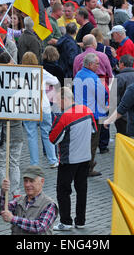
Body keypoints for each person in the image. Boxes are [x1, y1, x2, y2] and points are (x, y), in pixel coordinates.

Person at [50, 87, 96, 231]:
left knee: (63, 190)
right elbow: (93, 130)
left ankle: (66, 221)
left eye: (58, 100)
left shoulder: (64, 117)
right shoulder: (87, 111)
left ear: (64, 99)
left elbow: (53, 138)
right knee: (82, 189)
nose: (57, 103)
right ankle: (81, 221)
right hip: (85, 157)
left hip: (69, 160)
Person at [21, 52, 59, 169]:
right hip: (44, 105)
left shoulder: (20, 73)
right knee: (47, 133)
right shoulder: (41, 71)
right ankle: (52, 160)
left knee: (31, 135)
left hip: (28, 106)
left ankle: (34, 163)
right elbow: (55, 80)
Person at [73, 53, 107, 176]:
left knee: (81, 141)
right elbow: (102, 95)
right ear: (90, 64)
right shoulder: (94, 78)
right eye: (97, 63)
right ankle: (88, 168)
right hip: (92, 115)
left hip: (79, 114)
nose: (98, 66)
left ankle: (80, 166)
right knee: (92, 142)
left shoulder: (78, 75)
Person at [0, 165, 58, 234]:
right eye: (26, 181)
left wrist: (13, 219)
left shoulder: (49, 204)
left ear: (42, 181)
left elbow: (40, 227)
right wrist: (3, 192)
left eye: (31, 181)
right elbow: (2, 211)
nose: (27, 185)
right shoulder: (19, 200)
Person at [113, 55, 134, 135]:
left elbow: (114, 97)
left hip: (121, 115)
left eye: (119, 63)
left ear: (122, 64)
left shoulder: (118, 77)